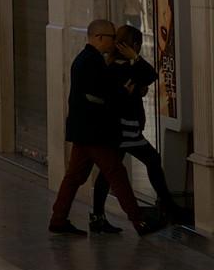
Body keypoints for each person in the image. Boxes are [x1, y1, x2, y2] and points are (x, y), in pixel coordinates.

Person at [47, 18, 153, 236]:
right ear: (99, 37)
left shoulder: (88, 60)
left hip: (84, 131)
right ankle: (139, 221)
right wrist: (124, 91)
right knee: (116, 173)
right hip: (94, 132)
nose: (115, 42)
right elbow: (101, 94)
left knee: (74, 177)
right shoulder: (91, 62)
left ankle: (58, 219)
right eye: (112, 38)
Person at [88, 23, 184, 232]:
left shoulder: (116, 66)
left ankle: (97, 215)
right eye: (137, 45)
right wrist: (136, 58)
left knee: (108, 171)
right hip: (125, 130)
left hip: (120, 130)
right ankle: (169, 207)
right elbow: (151, 75)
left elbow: (146, 80)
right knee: (151, 160)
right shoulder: (121, 68)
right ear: (133, 45)